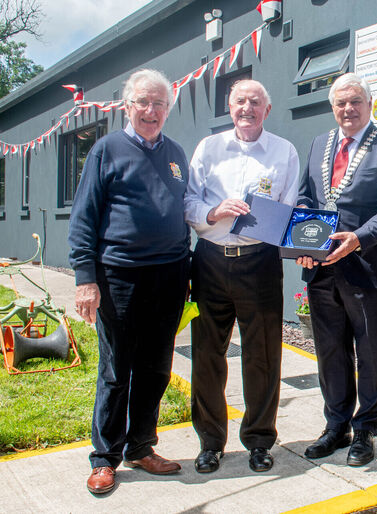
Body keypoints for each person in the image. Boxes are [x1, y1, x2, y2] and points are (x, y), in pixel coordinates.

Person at [68, 69, 191, 495]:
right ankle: (105, 458)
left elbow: (181, 213)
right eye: (144, 102)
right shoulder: (106, 150)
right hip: (119, 276)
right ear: (127, 105)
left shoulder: (176, 153)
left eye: (160, 104)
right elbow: (83, 218)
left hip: (170, 277)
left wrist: (187, 272)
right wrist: (86, 279)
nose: (152, 110)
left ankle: (141, 446)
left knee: (156, 369)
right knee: (117, 369)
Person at [184, 80, 299, 474]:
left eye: (255, 102)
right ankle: (211, 442)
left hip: (260, 261)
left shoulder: (284, 151)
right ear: (229, 108)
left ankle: (259, 439)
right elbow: (189, 200)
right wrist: (214, 213)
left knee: (263, 354)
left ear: (267, 110)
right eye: (239, 101)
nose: (246, 108)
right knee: (206, 355)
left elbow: (288, 207)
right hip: (211, 261)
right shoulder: (208, 148)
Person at [296, 72, 377, 467]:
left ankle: (366, 431)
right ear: (332, 107)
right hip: (322, 269)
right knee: (329, 352)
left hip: (366, 266)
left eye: (356, 101)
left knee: (371, 354)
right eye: (341, 103)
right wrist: (303, 243)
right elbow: (305, 197)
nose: (348, 109)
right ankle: (336, 425)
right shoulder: (318, 144)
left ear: (370, 104)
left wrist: (357, 238)